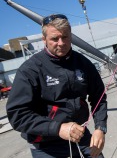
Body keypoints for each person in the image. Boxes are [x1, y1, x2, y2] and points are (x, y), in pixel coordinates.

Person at [6, 14, 108, 158]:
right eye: (54, 38)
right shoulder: (30, 70)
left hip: (80, 135)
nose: (61, 43)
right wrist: (57, 128)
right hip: (46, 144)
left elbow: (99, 97)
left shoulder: (83, 63)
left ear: (71, 36)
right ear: (44, 40)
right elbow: (17, 115)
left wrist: (100, 128)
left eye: (65, 37)